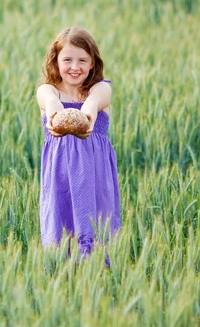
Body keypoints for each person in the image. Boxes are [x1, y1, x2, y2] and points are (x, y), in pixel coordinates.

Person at [36, 27, 120, 266]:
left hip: (94, 176)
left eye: (83, 60)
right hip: (60, 177)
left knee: (97, 229)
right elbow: (49, 100)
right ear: (56, 61)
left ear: (93, 63)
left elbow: (94, 102)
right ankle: (63, 280)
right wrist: (55, 114)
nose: (75, 67)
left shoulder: (100, 89)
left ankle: (97, 280)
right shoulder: (48, 90)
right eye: (68, 60)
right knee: (60, 231)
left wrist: (87, 115)